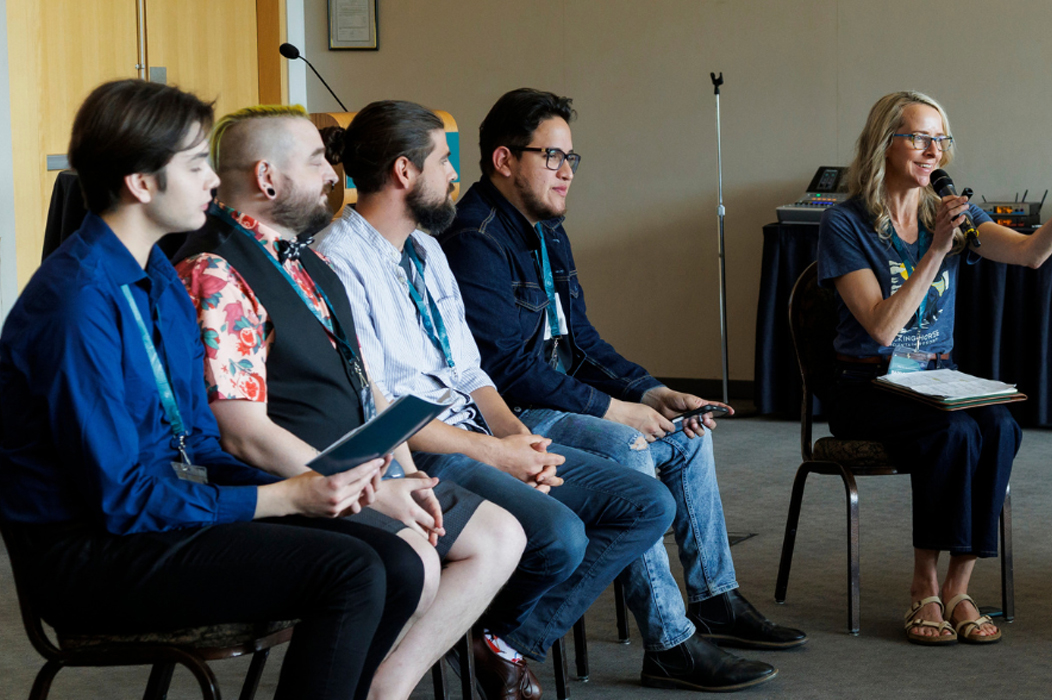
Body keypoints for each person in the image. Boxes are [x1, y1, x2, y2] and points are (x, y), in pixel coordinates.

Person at [0, 79, 426, 700]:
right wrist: (285, 499)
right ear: (143, 185)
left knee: (397, 561)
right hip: (92, 555)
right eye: (197, 164)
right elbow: (125, 500)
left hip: (161, 515)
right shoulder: (74, 304)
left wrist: (324, 485)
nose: (212, 181)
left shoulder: (157, 279)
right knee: (353, 571)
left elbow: (197, 439)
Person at [315, 99, 682, 699]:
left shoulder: (427, 250)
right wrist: (495, 456)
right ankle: (449, 637)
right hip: (422, 453)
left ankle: (499, 640)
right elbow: (380, 410)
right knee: (561, 537)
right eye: (444, 162)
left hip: (476, 435)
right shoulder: (337, 260)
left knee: (645, 503)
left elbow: (471, 371)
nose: (457, 177)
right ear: (406, 173)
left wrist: (515, 437)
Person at [439, 88, 803, 691]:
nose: (565, 173)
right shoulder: (473, 238)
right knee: (626, 447)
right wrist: (617, 411)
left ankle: (715, 599)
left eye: (571, 159)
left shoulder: (546, 229)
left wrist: (653, 392)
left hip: (558, 399)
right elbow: (504, 369)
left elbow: (579, 339)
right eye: (551, 157)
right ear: (504, 160)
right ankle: (669, 642)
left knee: (685, 438)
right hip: (513, 415)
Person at [171, 105, 526, 699]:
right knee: (415, 557)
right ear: (267, 178)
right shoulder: (217, 269)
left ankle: (388, 686)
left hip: (367, 466)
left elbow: (367, 382)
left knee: (500, 537)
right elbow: (244, 435)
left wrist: (408, 473)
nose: (333, 176)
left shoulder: (306, 258)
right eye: (316, 161)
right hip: (291, 478)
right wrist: (369, 487)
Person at [816, 91, 1052, 645]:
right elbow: (883, 329)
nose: (932, 150)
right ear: (883, 143)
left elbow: (1030, 255)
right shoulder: (847, 223)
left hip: (935, 377)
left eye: (941, 139)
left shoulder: (950, 211)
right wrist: (935, 250)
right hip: (866, 384)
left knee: (1001, 425)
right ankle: (923, 589)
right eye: (918, 136)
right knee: (955, 431)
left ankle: (960, 589)